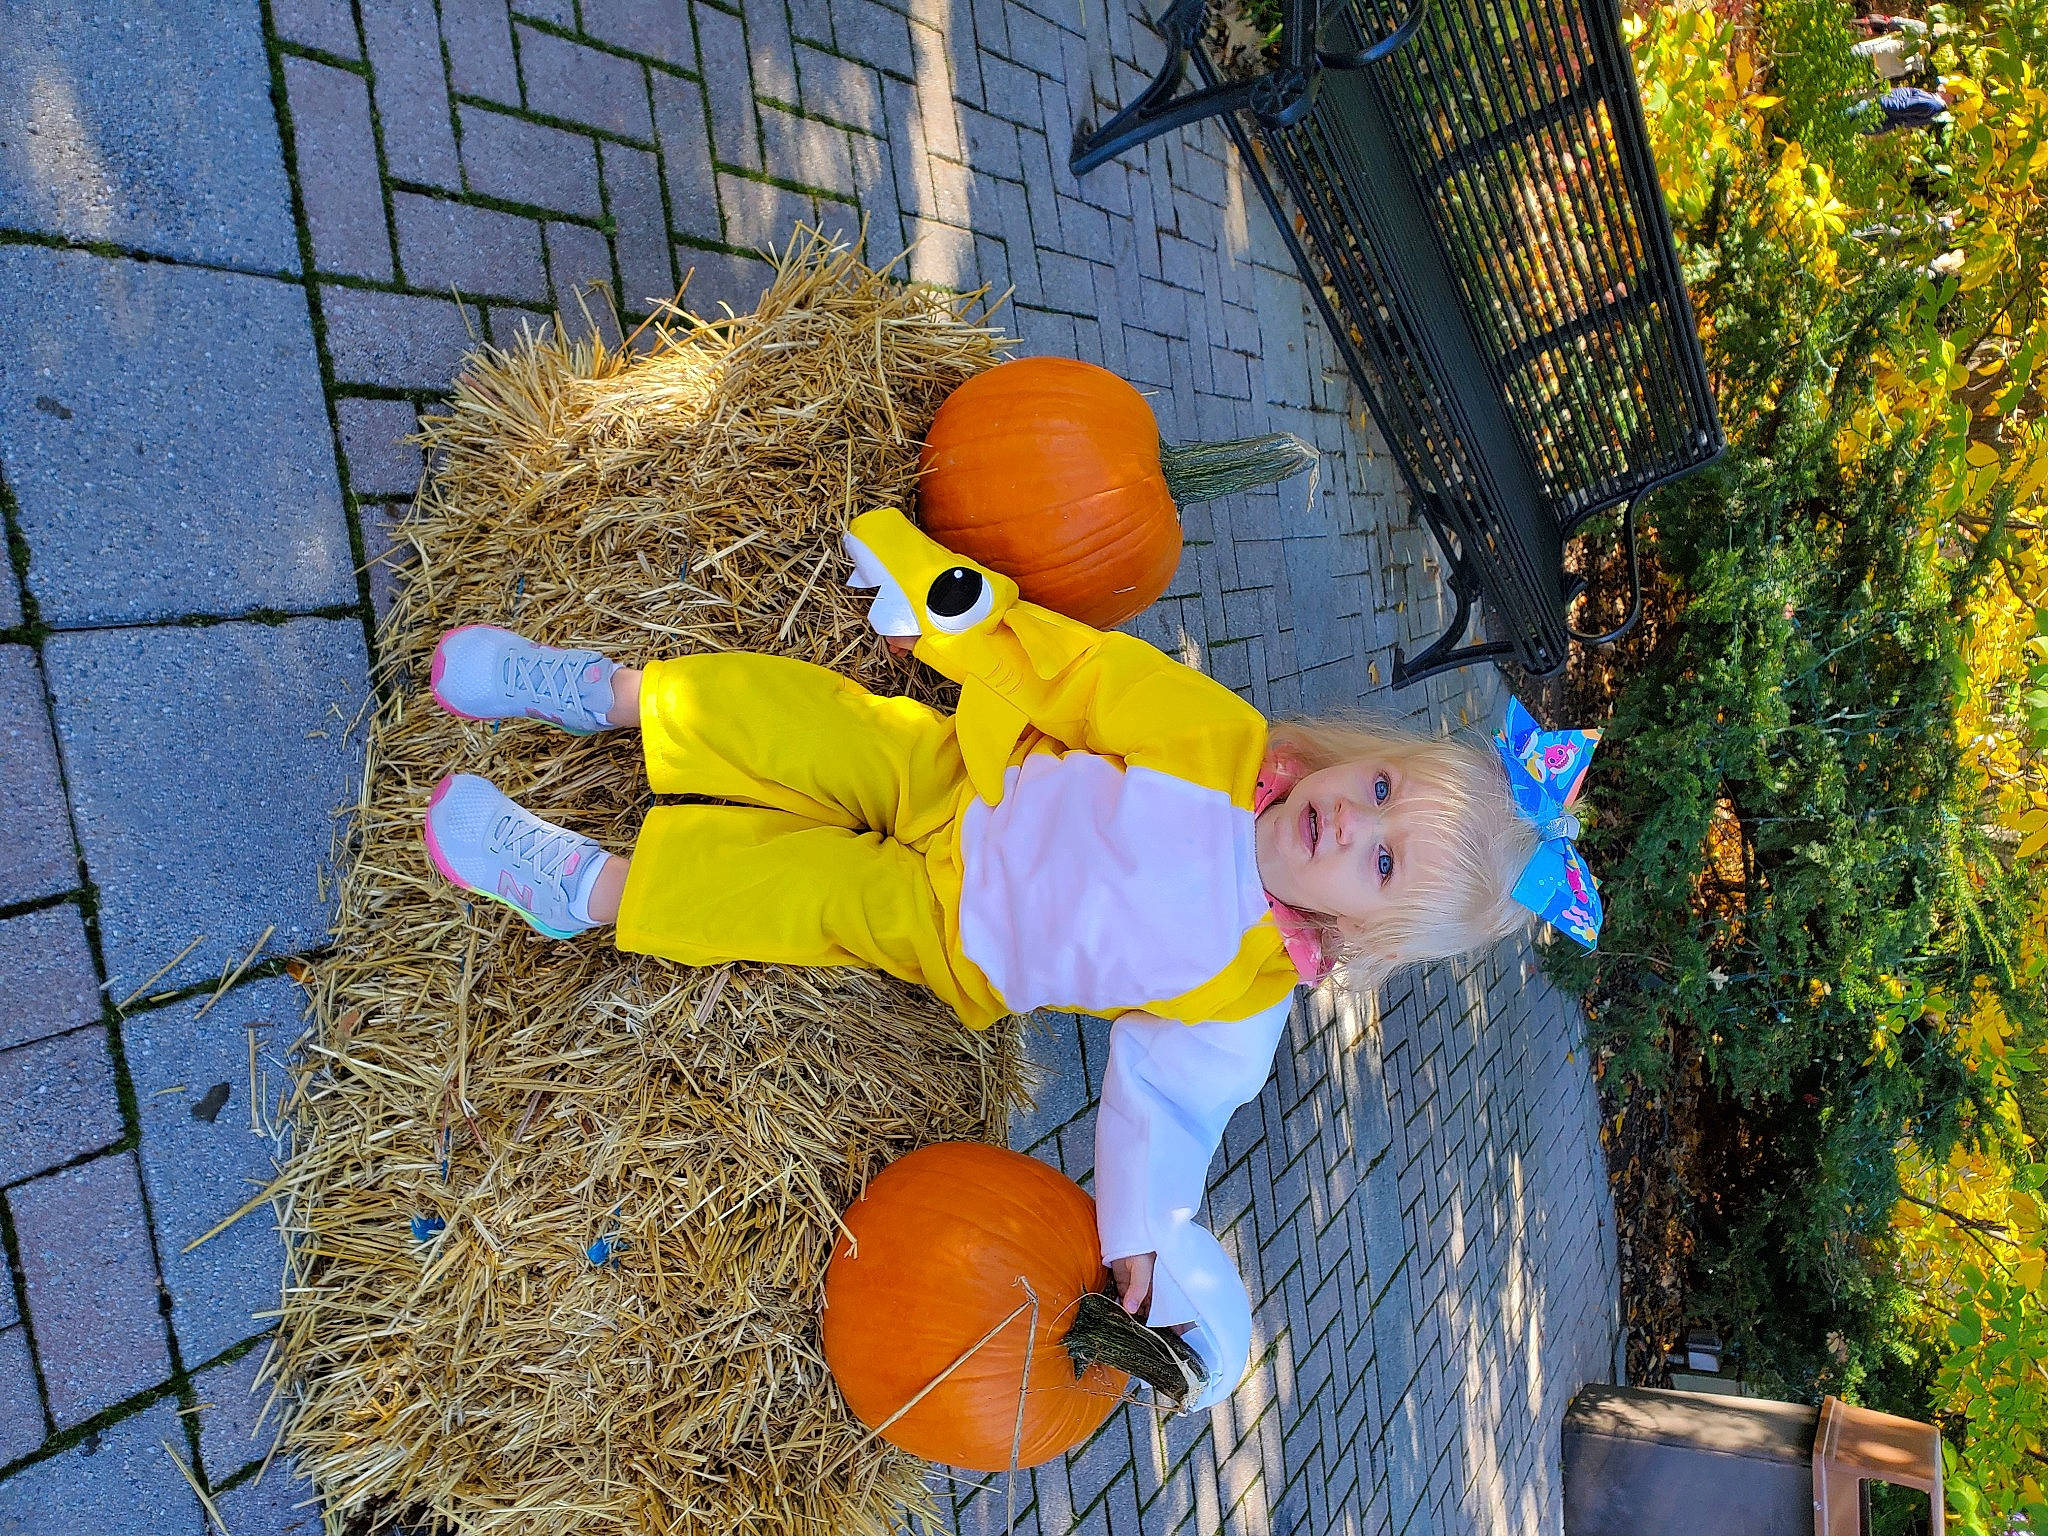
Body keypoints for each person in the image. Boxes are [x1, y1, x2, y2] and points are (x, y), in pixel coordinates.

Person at [418, 506, 1603, 1410]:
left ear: (1362, 933)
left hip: (959, 932)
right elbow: (1085, 681)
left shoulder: (1246, 987)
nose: (1354, 823)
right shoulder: (1227, 744)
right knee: (799, 718)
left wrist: (1148, 1238)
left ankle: (581, 885)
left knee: (791, 894)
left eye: (1381, 863)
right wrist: (954, 607)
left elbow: (1170, 1104)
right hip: (959, 775)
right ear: (1361, 756)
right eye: (1383, 790)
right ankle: (604, 694)